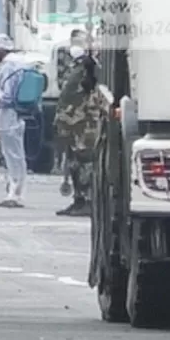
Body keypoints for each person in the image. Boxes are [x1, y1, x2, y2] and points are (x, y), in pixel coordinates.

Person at [54, 40, 103, 217]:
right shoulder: (77, 72)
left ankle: (87, 201)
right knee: (75, 164)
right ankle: (79, 199)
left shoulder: (86, 73)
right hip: (74, 126)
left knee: (86, 164)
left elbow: (81, 100)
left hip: (85, 126)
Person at [0, 33, 33, 209]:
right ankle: (14, 191)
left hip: (8, 116)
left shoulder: (9, 66)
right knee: (15, 155)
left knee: (13, 156)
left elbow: (7, 96)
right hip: (12, 116)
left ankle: (16, 194)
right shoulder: (17, 63)